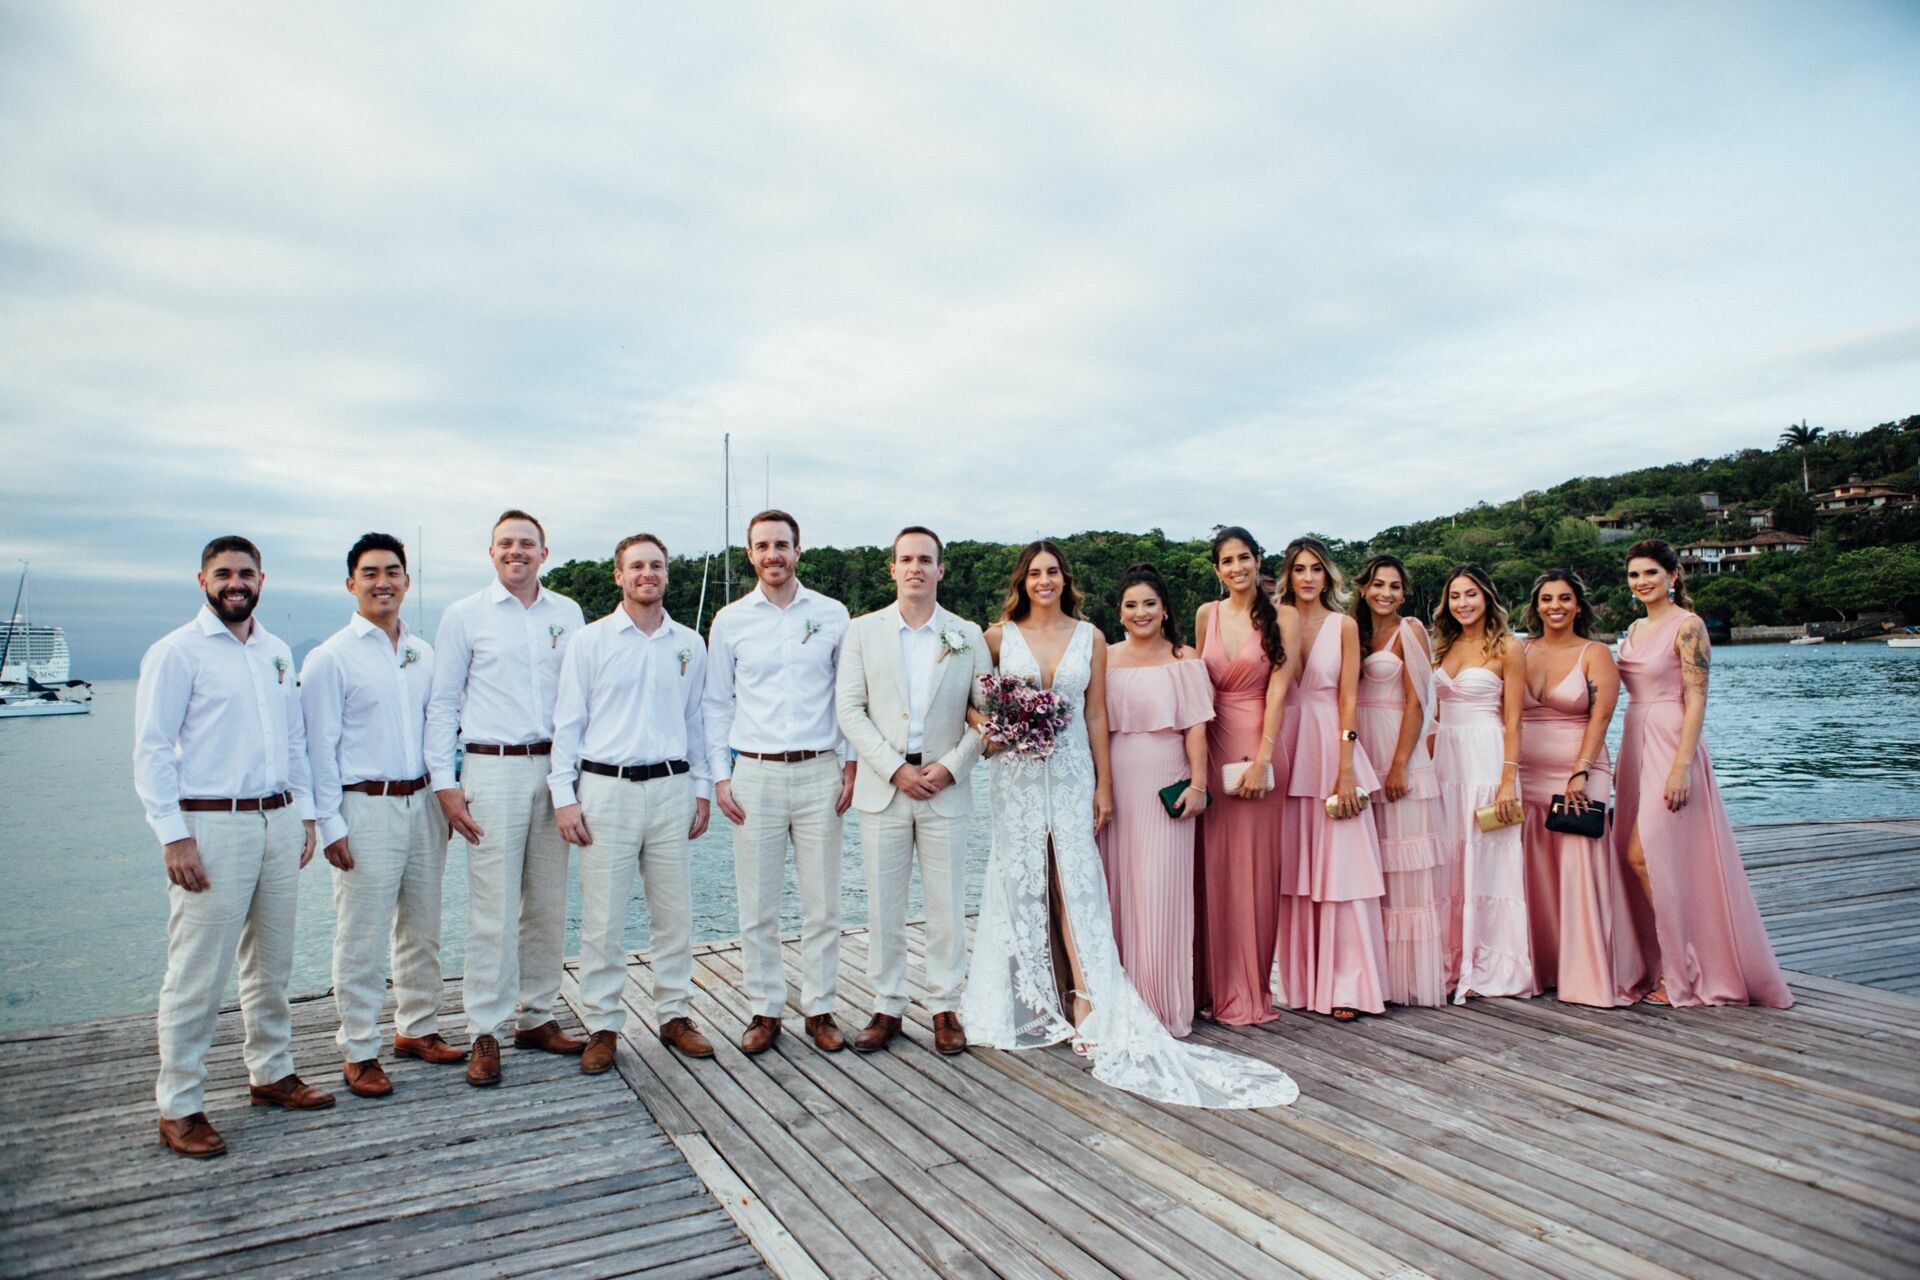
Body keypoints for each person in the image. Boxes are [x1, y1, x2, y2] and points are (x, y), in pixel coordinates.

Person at [963, 541, 1297, 1109]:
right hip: (1015, 779)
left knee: (1080, 886)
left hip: (1072, 771)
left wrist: (1103, 784)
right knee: (1018, 881)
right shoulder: (996, 637)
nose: (1045, 580)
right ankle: (1020, 999)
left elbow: (1095, 713)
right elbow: (971, 702)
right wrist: (998, 729)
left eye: (1053, 572)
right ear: (1023, 580)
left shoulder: (1090, 637)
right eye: (1035, 573)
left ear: (1067, 580)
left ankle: (1088, 1000)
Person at [134, 535, 332, 1158]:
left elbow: (295, 741)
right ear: (203, 581)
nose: (235, 583)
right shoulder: (177, 653)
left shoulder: (275, 652)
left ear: (262, 579)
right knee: (197, 972)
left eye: (246, 573)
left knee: (270, 963)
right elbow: (152, 750)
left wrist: (305, 816)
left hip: (277, 822)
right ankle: (180, 1105)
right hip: (210, 826)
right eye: (223, 574)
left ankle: (270, 1073)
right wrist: (173, 836)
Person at [427, 510, 588, 1087]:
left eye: (527, 544)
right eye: (505, 544)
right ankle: (486, 1030)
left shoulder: (568, 614)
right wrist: (445, 784)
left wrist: (573, 780)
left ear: (545, 552)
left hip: (556, 769)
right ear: (490, 552)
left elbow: (579, 698)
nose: (516, 552)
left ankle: (538, 1016)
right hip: (490, 768)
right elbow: (443, 704)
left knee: (546, 902)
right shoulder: (464, 616)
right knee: (492, 909)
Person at [302, 533, 464, 1100]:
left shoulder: (424, 655)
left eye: (393, 571)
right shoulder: (330, 658)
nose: (383, 582)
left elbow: (443, 728)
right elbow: (316, 748)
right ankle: (359, 1049)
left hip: (422, 803)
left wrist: (447, 795)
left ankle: (417, 1027)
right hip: (361, 805)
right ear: (351, 584)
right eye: (370, 573)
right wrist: (329, 824)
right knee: (361, 935)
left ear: (407, 580)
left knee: (423, 925)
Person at [551, 534, 716, 1071]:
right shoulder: (591, 641)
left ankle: (674, 1013)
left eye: (657, 566)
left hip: (671, 786)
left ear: (668, 575)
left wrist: (702, 788)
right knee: (603, 916)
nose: (648, 573)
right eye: (637, 566)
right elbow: (569, 722)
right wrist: (563, 796)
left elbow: (696, 722)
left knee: (674, 913)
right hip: (605, 788)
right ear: (618, 576)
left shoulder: (689, 643)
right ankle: (602, 1022)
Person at [1613, 540, 1792, 1007]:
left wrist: (1682, 767)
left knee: (1645, 855)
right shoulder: (1633, 627)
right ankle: (1664, 962)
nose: (1642, 581)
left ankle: (1686, 969)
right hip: (1635, 740)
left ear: (1673, 576)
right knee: (1647, 857)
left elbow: (1696, 698)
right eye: (1634, 575)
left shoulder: (1688, 626)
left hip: (1673, 742)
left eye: (1651, 572)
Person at [704, 509, 857, 1054]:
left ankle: (820, 1008)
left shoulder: (834, 614)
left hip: (820, 769)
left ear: (798, 550)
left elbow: (851, 697)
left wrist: (853, 763)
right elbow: (716, 703)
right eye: (763, 545)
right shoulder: (729, 621)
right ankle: (764, 1009)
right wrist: (720, 778)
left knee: (822, 903)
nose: (773, 554)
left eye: (782, 545)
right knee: (758, 903)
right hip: (756, 774)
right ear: (750, 554)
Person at [836, 526, 990, 1055]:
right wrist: (892, 768)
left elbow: (988, 719)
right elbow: (849, 710)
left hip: (945, 787)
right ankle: (887, 1005)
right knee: (883, 904)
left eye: (926, 559)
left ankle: (946, 1005)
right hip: (885, 788)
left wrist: (950, 767)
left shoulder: (967, 634)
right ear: (893, 569)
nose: (916, 568)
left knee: (947, 904)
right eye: (906, 559)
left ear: (941, 569)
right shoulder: (863, 631)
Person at [1518, 569, 1648, 1007]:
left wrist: (1581, 771)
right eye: (1547, 599)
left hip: (1579, 771)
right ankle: (1547, 965)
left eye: (1565, 598)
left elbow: (1601, 717)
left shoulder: (1594, 653)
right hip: (1525, 775)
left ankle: (1589, 971)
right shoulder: (1521, 650)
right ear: (1535, 605)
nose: (1555, 606)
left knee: (1580, 868)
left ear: (1578, 605)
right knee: (1535, 872)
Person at [1272, 538, 1389, 1020]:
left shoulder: (1343, 625)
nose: (1307, 577)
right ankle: (1295, 980)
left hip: (1328, 745)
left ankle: (1348, 985)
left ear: (1328, 577)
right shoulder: (1274, 620)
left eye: (1316, 569)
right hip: (1284, 746)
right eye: (1298, 569)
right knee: (1293, 870)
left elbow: (1348, 699)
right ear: (1288, 575)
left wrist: (1345, 768)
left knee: (1340, 868)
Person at [1097, 563, 1212, 1036]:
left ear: (1165, 609)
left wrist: (1199, 786)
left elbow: (1197, 729)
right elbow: (1093, 727)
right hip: (1114, 783)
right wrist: (1097, 787)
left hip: (1168, 780)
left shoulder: (1185, 659)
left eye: (1149, 603)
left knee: (1160, 891)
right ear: (1120, 613)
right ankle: (1117, 1003)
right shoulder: (1103, 657)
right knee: (1117, 890)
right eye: (1131, 605)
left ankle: (1161, 1005)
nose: (1140, 612)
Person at [1194, 526, 1294, 1027]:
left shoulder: (1284, 616)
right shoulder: (1205, 616)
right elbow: (1195, 690)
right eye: (1227, 561)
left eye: (1245, 558)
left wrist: (1263, 759)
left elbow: (1279, 692)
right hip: (1211, 749)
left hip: (1258, 744)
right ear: (1217, 570)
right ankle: (1208, 986)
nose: (1237, 568)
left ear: (1258, 561)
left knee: (1253, 872)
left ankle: (1248, 990)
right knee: (1211, 869)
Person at [1430, 564, 1533, 1002]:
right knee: (1449, 860)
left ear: (1487, 597)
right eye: (1455, 596)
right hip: (1444, 763)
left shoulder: (1508, 647)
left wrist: (1507, 782)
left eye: (1470, 594)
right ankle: (1447, 961)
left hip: (1488, 760)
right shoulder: (1442, 646)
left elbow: (1514, 721)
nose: (1463, 603)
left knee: (1489, 860)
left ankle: (1490, 964)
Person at [1351, 555, 1449, 1007]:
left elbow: (1417, 702)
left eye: (1394, 586)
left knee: (1403, 867)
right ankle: (1373, 974)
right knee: (1372, 866)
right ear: (1364, 587)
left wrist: (1399, 765)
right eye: (1377, 584)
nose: (1385, 593)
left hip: (1396, 748)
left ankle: (1407, 979)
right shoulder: (1353, 629)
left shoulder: (1410, 631)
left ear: (1404, 593)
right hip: (1360, 748)